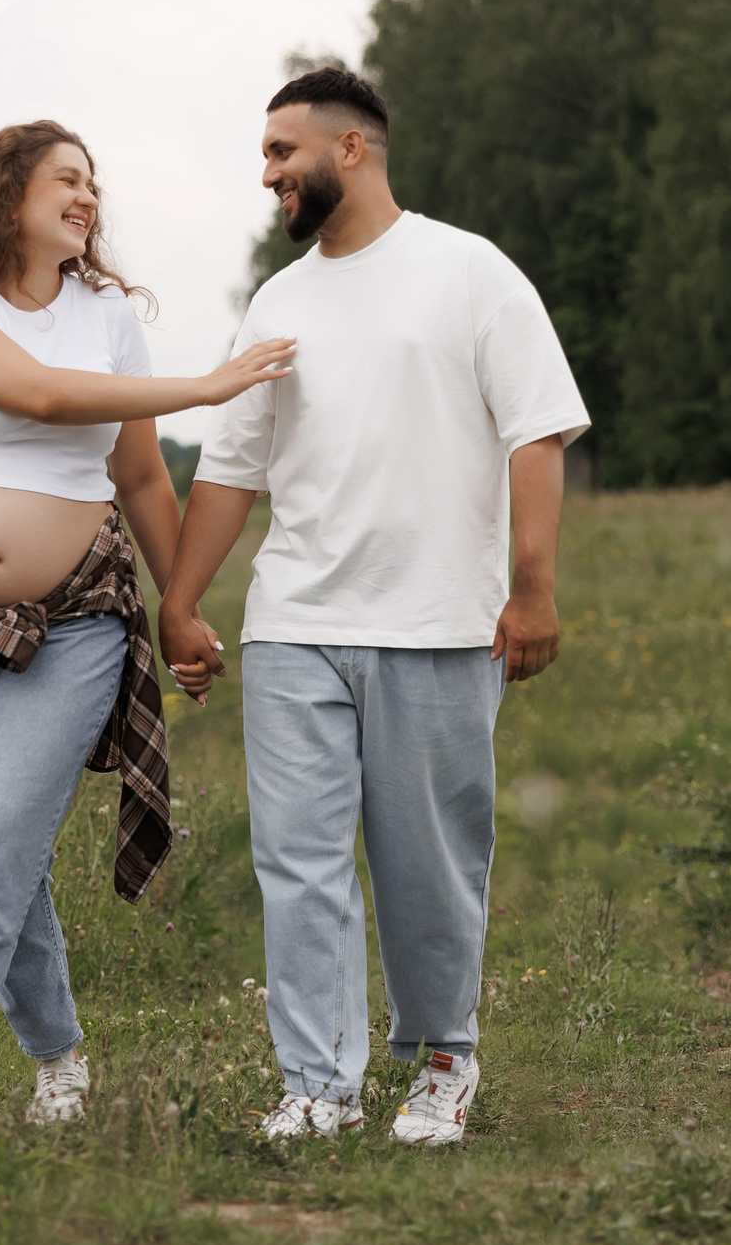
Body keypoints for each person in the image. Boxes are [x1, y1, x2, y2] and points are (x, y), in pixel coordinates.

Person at [158, 68, 589, 1147]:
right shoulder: (280, 301)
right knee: (296, 860)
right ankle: (319, 1084)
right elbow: (232, 470)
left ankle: (444, 1061)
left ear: (351, 149)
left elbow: (535, 431)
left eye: (280, 153)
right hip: (297, 621)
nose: (267, 177)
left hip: (440, 624)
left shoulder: (469, 273)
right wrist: (180, 601)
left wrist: (531, 590)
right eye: (262, 156)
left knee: (429, 861)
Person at [0, 120, 296, 1136]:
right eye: (67, 180)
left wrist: (180, 606)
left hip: (79, 614)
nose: (88, 198)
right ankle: (60, 1064)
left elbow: (136, 471)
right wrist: (206, 386)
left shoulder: (103, 313)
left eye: (94, 185)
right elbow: (39, 394)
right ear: (6, 193)